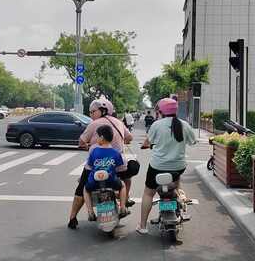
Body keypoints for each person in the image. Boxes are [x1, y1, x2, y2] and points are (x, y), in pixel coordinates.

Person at [68, 99, 137, 229]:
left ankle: (73, 218)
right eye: (90, 112)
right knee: (126, 178)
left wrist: (89, 146)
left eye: (93, 111)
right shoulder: (119, 122)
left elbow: (81, 142)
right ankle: (125, 201)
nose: (91, 115)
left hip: (96, 166)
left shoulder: (94, 124)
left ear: (103, 110)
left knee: (81, 188)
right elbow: (129, 138)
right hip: (116, 165)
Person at [136, 98, 197, 235]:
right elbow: (193, 141)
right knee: (177, 182)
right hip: (178, 166)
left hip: (157, 167)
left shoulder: (156, 125)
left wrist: (145, 145)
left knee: (148, 193)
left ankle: (142, 226)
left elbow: (148, 141)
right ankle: (182, 199)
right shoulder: (184, 125)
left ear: (160, 111)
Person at [83, 125, 128, 220]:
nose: (96, 139)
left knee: (86, 190)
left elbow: (90, 166)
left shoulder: (94, 151)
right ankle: (123, 208)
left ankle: (90, 212)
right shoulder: (116, 153)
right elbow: (120, 167)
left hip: (95, 182)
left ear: (102, 138)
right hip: (110, 181)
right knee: (123, 185)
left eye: (97, 137)